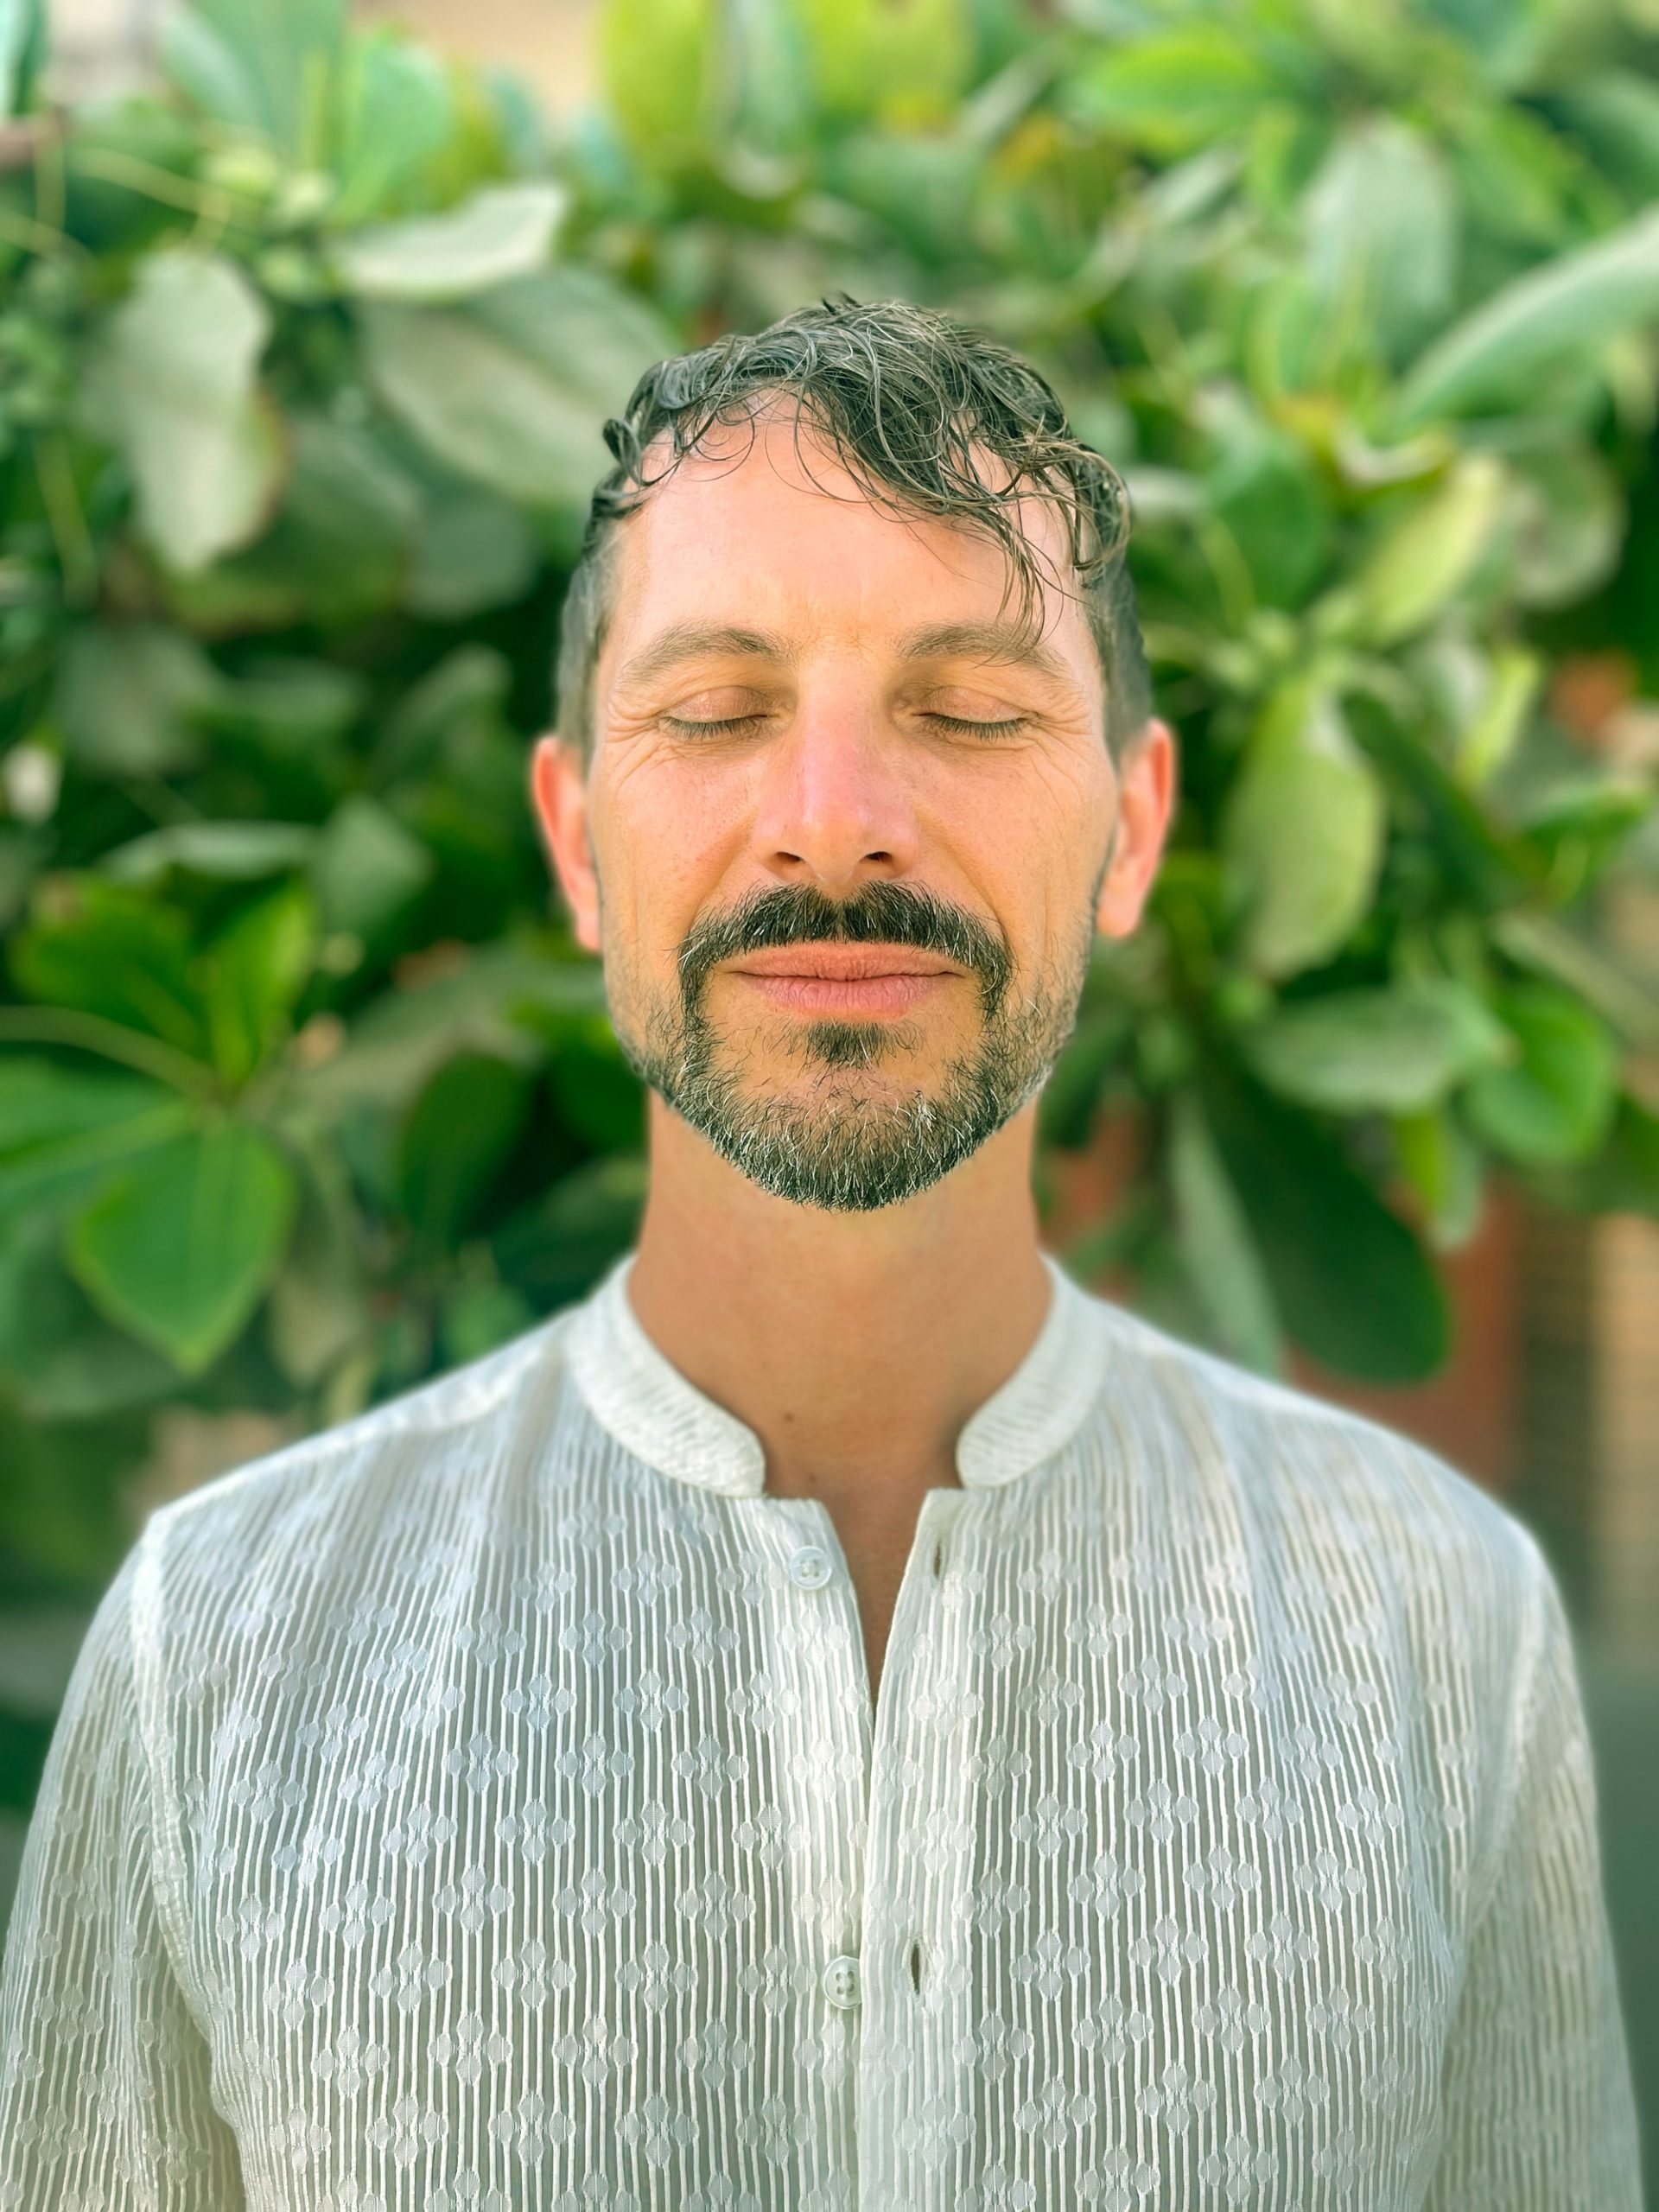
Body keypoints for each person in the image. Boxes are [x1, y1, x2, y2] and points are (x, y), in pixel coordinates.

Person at [0, 296, 1642, 2210]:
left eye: (967, 710)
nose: (835, 821)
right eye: (714, 711)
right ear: (578, 835)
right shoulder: (227, 1644)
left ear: (1131, 825)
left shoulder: (1442, 1628)